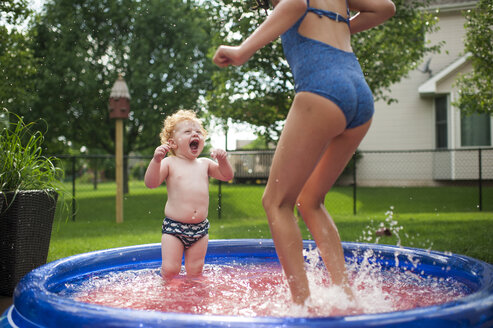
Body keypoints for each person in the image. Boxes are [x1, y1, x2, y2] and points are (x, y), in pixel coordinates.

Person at [213, 0, 395, 304]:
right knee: (310, 201)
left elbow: (297, 2)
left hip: (323, 88)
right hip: (360, 95)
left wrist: (243, 50)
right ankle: (346, 298)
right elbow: (386, 8)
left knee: (276, 202)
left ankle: (302, 305)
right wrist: (342, 25)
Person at [144, 109, 234, 279]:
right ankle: (166, 294)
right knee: (171, 269)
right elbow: (151, 183)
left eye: (198, 132)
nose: (195, 134)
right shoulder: (169, 163)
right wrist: (156, 161)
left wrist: (223, 161)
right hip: (174, 228)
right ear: (172, 143)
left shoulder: (204, 164)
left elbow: (227, 175)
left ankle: (191, 298)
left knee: (196, 271)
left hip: (200, 229)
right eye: (187, 131)